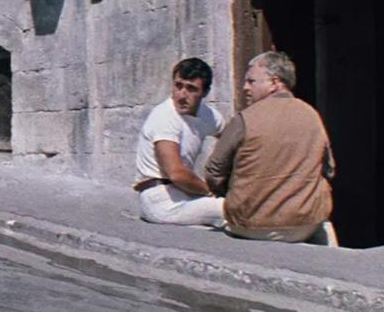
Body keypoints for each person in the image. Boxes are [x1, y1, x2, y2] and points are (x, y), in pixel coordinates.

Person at [205, 51, 337, 245]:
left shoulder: (245, 119)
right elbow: (328, 169)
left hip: (251, 225)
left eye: (251, 81)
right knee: (325, 224)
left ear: (275, 83)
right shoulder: (312, 116)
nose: (245, 88)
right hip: (304, 225)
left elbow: (213, 172)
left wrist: (232, 193)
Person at [133, 58, 225, 228]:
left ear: (205, 92)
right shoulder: (164, 117)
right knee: (229, 208)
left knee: (234, 204)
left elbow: (231, 139)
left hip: (185, 192)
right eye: (178, 86)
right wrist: (210, 191)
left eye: (191, 89)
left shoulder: (208, 115)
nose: (182, 95)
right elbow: (177, 174)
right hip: (160, 200)